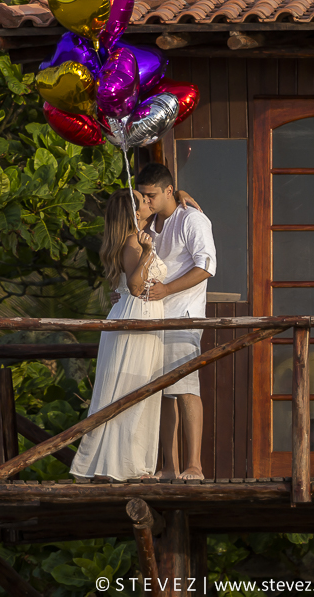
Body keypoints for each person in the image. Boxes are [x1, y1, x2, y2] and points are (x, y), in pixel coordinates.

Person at [70, 188, 166, 481]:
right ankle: (123, 467)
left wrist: (184, 193)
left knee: (136, 390)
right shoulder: (134, 244)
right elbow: (137, 287)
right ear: (133, 213)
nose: (148, 202)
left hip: (134, 315)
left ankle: (127, 464)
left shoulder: (130, 239)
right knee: (132, 390)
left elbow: (123, 287)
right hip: (137, 317)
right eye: (142, 200)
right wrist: (148, 253)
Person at [136, 163, 217, 480]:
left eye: (151, 194)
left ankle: (194, 466)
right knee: (162, 392)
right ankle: (170, 467)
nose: (146, 200)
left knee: (185, 388)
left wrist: (168, 289)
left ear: (169, 191)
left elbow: (207, 266)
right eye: (142, 195)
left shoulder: (192, 219)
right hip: (153, 316)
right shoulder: (150, 221)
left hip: (182, 314)